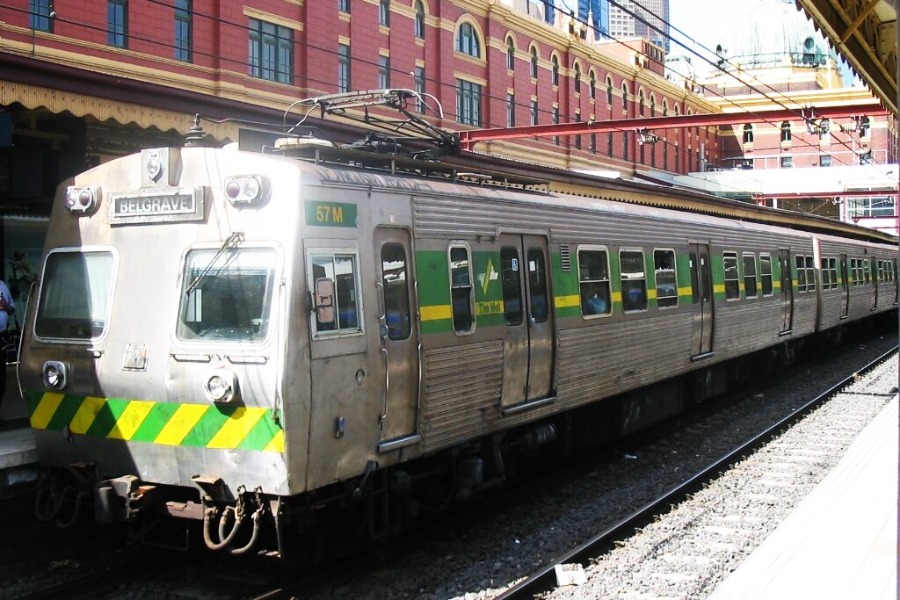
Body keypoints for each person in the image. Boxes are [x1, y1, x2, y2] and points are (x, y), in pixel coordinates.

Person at [0, 279, 15, 424]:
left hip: (2, 336)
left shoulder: (2, 285)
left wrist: (6, 307)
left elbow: (12, 308)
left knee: (1, 378)